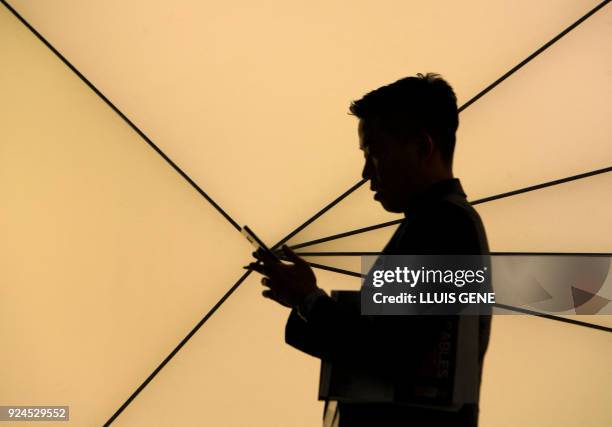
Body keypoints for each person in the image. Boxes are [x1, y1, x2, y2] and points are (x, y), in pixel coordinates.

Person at [245, 73, 491, 426]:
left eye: (374, 154)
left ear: (423, 148)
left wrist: (309, 300)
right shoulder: (438, 223)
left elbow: (392, 352)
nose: (365, 172)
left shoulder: (442, 226)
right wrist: (305, 301)